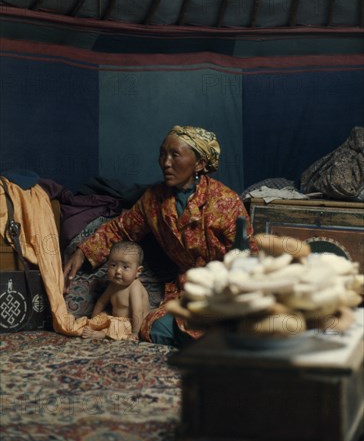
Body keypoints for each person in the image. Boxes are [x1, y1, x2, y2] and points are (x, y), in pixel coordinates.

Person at [64, 125, 255, 347]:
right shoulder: (153, 199)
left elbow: (248, 256)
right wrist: (83, 251)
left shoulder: (225, 202)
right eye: (163, 154)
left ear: (200, 164)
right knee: (149, 327)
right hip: (187, 291)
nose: (166, 163)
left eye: (175, 155)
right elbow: (121, 228)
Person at [81, 240, 150, 340]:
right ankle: (93, 328)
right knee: (104, 315)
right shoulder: (113, 285)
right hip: (116, 320)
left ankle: (100, 335)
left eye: (125, 267)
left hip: (133, 323)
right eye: (113, 265)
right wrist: (94, 321)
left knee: (117, 326)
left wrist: (135, 333)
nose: (117, 271)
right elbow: (101, 302)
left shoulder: (135, 287)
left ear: (138, 271)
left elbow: (137, 312)